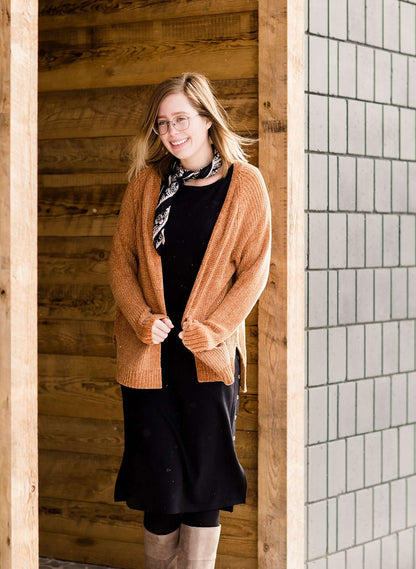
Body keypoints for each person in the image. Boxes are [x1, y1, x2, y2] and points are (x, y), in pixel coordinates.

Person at [108, 72, 271, 569]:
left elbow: (254, 271)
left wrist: (215, 329)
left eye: (181, 119)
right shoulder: (147, 184)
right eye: (163, 124)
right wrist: (141, 318)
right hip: (150, 357)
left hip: (207, 358)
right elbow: (121, 262)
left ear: (205, 118)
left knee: (203, 485)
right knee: (161, 487)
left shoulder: (245, 185)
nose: (172, 132)